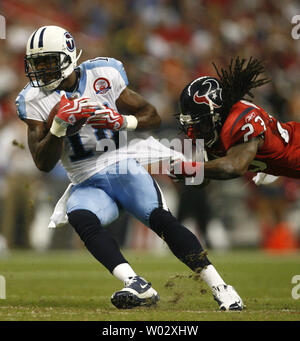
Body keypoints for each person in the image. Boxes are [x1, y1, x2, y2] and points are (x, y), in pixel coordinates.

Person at [16, 25, 243, 311]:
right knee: (80, 216)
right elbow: (43, 163)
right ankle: (136, 284)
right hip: (85, 179)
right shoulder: (32, 99)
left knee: (161, 220)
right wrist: (59, 127)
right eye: (36, 63)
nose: (42, 70)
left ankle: (222, 287)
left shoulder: (103, 75)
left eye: (48, 61)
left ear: (69, 55)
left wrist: (122, 121)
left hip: (122, 165)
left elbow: (152, 115)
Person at [170, 57, 300, 182]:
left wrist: (186, 168)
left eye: (201, 124)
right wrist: (182, 167)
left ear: (217, 115)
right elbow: (203, 179)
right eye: (191, 125)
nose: (194, 132)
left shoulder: (241, 119)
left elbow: (235, 167)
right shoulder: (215, 131)